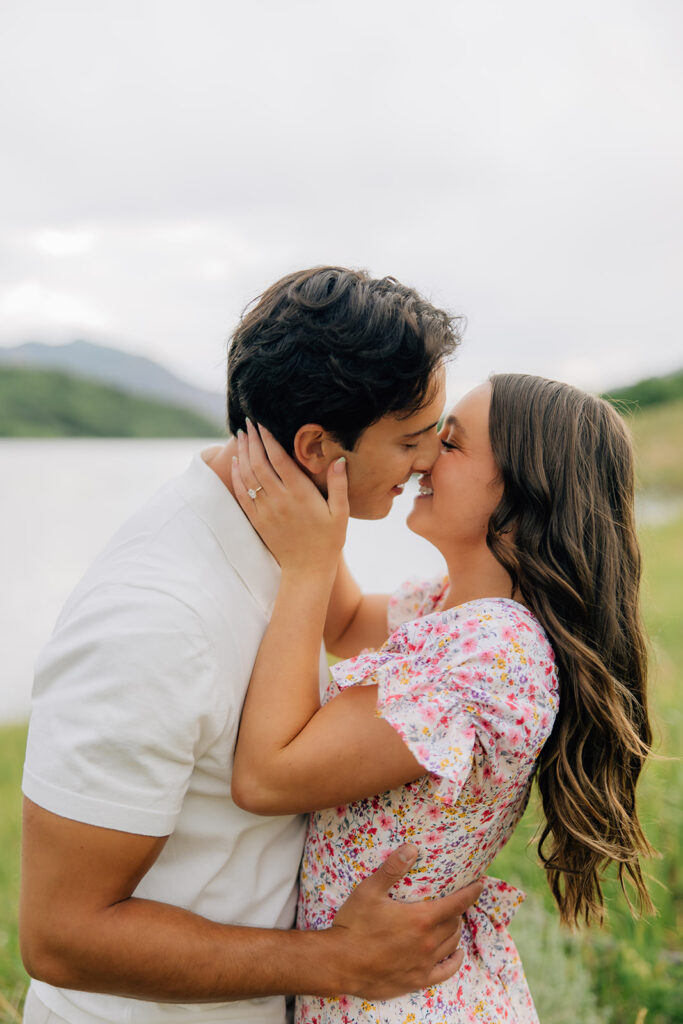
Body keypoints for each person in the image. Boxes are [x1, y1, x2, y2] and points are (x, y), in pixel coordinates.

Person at [20, 267, 486, 1024]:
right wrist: (339, 960)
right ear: (315, 447)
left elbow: (362, 627)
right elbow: (61, 937)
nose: (430, 459)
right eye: (409, 439)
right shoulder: (153, 620)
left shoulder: (292, 529)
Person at [230, 373, 654, 1024]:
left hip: (399, 1003)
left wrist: (306, 565)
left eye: (448, 444)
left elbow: (267, 777)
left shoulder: (492, 657)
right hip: (390, 986)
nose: (422, 456)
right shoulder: (454, 606)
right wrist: (317, 483)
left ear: (521, 493)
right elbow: (342, 623)